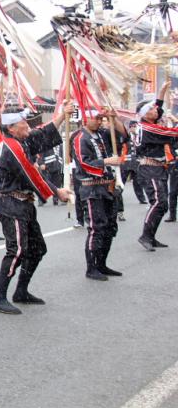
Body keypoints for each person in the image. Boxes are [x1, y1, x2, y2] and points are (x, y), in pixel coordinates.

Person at [0, 103, 73, 315]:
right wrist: (57, 191)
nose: (27, 125)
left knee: (37, 249)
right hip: (10, 204)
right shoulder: (11, 147)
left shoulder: (22, 141)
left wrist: (62, 115)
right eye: (23, 122)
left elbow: (42, 133)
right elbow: (31, 174)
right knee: (16, 250)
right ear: (11, 128)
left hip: (23, 204)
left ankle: (21, 291)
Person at [72, 109, 126, 280]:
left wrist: (113, 118)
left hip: (107, 187)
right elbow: (84, 163)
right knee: (97, 228)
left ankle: (101, 264)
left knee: (110, 227)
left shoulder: (103, 133)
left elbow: (124, 136)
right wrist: (106, 161)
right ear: (85, 118)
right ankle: (91, 267)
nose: (99, 121)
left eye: (101, 118)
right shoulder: (80, 138)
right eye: (96, 118)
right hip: (92, 188)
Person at [133, 82, 178, 250]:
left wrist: (161, 93)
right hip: (150, 168)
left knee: (162, 203)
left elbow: (157, 110)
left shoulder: (146, 124)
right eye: (152, 109)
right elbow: (173, 133)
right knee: (159, 202)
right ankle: (145, 236)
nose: (156, 110)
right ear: (146, 114)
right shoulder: (149, 128)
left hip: (155, 168)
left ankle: (150, 236)